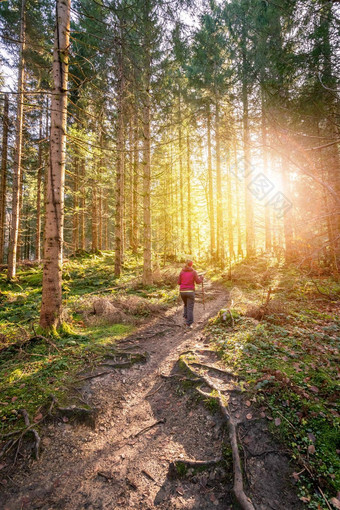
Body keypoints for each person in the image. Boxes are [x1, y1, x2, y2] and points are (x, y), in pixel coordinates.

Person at [178, 259, 203, 328]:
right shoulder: (193, 272)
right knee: (190, 307)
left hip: (182, 292)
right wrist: (201, 278)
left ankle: (186, 318)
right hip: (190, 292)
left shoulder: (182, 272)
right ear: (191, 264)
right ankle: (189, 324)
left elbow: (179, 282)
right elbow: (198, 282)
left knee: (186, 304)